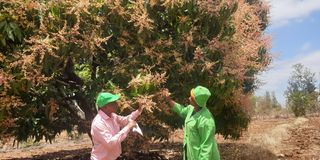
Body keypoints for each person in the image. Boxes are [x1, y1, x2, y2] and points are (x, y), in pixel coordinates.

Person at [165, 86, 220, 160]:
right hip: (192, 154)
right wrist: (169, 100)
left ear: (196, 101)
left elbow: (206, 146)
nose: (189, 98)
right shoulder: (192, 109)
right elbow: (181, 111)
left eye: (191, 97)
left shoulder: (206, 121)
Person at [90, 92, 143, 160]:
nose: (117, 104)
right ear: (105, 107)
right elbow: (110, 143)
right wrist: (128, 127)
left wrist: (139, 110)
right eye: (113, 103)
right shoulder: (98, 123)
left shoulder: (113, 116)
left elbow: (125, 120)